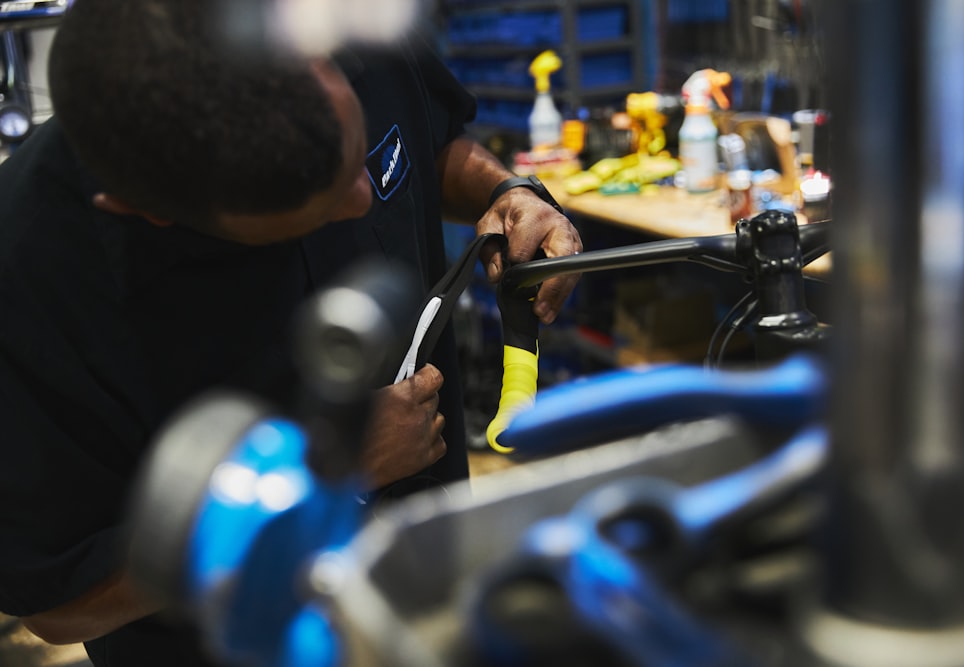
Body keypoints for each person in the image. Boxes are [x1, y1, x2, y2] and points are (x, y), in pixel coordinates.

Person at [0, 1, 582, 665]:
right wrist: (322, 469)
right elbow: (59, 602)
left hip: (429, 583)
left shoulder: (334, 26)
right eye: (318, 206)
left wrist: (504, 191)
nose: (363, 198)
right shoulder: (30, 274)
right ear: (152, 211)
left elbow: (432, 139)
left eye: (360, 156)